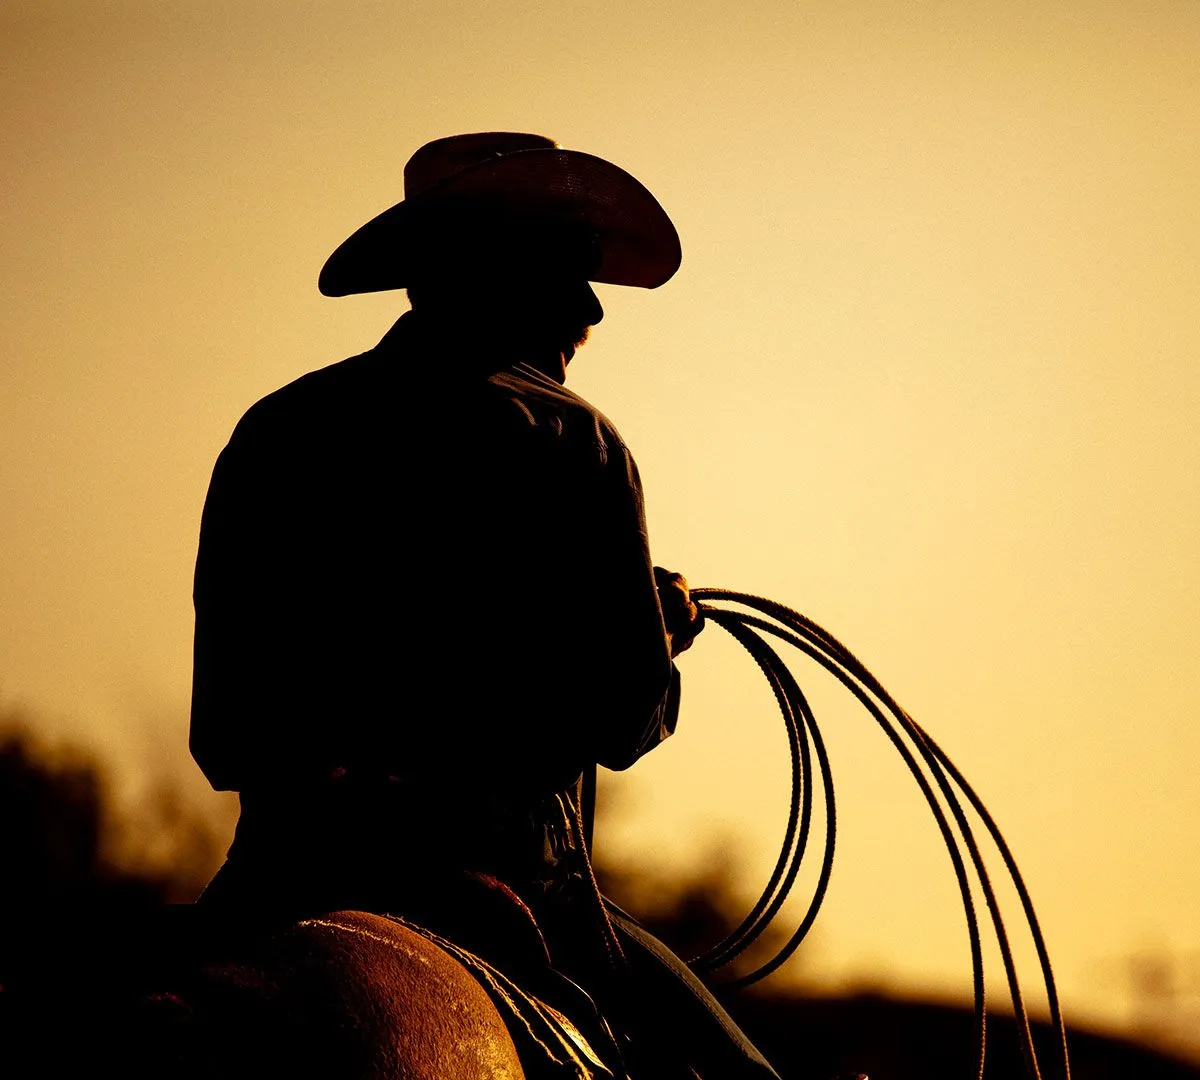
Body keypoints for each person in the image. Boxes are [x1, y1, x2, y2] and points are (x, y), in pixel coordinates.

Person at [188, 132, 780, 1079]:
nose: (590, 307)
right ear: (510, 276)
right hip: (499, 883)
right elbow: (622, 716)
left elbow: (223, 732)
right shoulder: (571, 437)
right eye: (570, 273)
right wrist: (656, 632)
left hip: (273, 874)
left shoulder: (273, 429)